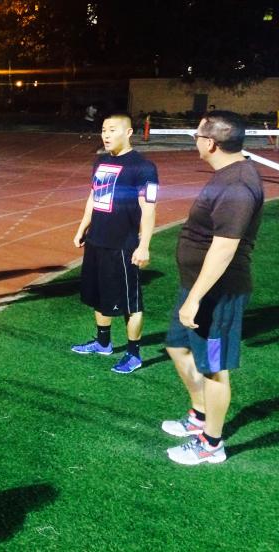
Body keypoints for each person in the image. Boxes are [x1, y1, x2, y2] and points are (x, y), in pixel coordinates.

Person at [163, 111, 263, 465]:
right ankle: (200, 415)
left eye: (197, 135)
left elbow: (224, 248)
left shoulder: (237, 185)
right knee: (177, 347)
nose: (195, 140)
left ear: (211, 143)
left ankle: (212, 444)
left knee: (215, 368)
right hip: (197, 287)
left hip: (218, 294)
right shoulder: (228, 174)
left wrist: (195, 298)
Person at [71, 112, 158, 374]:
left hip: (123, 244)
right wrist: (82, 227)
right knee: (98, 294)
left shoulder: (143, 167)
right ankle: (103, 343)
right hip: (97, 240)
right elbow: (93, 196)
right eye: (103, 130)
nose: (106, 135)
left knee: (130, 303)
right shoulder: (100, 162)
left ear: (129, 133)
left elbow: (149, 208)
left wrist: (144, 246)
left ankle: (134, 354)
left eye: (112, 130)